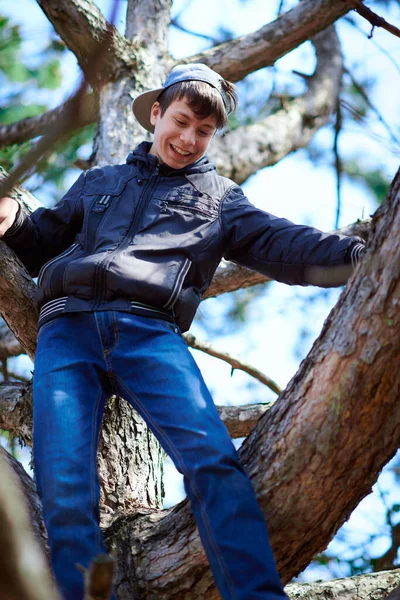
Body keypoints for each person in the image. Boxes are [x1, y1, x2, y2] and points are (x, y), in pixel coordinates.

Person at [0, 63, 366, 600]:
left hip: (149, 334)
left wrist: (364, 254)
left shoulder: (220, 197)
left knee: (215, 464)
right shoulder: (100, 181)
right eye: (181, 121)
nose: (189, 139)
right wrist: (13, 217)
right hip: (66, 330)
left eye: (204, 131)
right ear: (156, 113)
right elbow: (40, 244)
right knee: (62, 486)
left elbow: (287, 245)